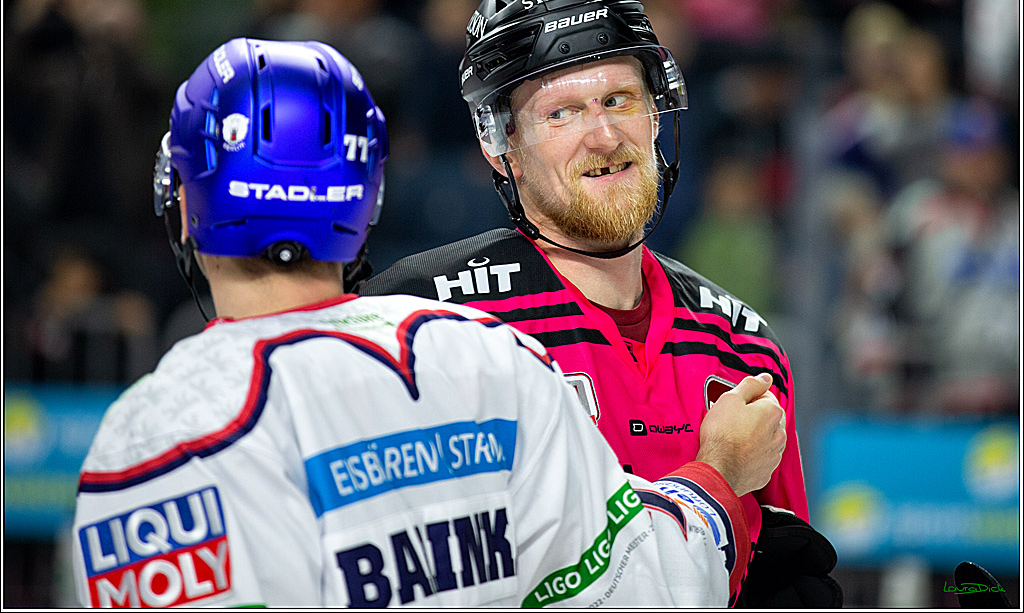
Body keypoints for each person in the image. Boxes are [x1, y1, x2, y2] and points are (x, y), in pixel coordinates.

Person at [70, 37, 793, 607]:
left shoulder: (152, 436)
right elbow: (638, 592)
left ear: (185, 205)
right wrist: (721, 472)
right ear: (366, 198)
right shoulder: (487, 357)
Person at [362, 0, 839, 605]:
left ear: (657, 114)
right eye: (562, 112)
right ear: (501, 148)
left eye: (620, 100)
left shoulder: (743, 347)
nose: (605, 135)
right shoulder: (418, 325)